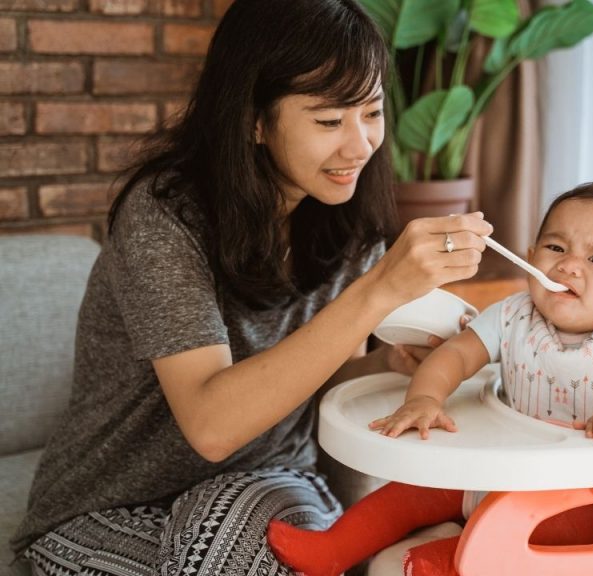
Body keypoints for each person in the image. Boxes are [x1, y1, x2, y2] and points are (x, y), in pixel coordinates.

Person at [9, 1, 493, 575]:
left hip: (268, 481)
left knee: (241, 550)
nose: (360, 145)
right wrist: (378, 292)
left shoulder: (348, 216)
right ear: (252, 120)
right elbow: (212, 427)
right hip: (111, 508)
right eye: (328, 121)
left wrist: (389, 360)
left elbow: (321, 376)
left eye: (372, 112)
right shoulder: (164, 218)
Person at [267, 183, 593, 576]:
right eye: (556, 247)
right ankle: (331, 550)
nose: (569, 264)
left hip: (569, 493)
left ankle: (445, 560)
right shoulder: (513, 315)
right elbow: (456, 354)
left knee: (568, 530)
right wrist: (425, 399)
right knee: (404, 494)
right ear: (531, 257)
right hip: (490, 468)